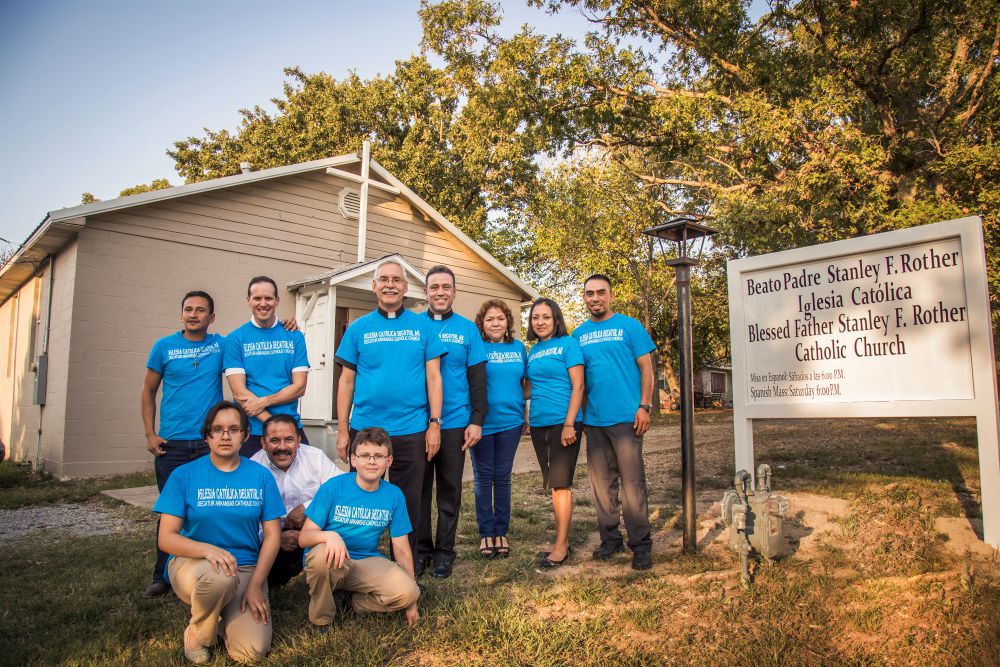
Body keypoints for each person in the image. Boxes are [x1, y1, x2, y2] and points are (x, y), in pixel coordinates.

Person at [153, 401, 284, 664]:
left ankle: (221, 613)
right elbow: (166, 538)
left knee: (251, 653)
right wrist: (208, 550)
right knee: (218, 579)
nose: (226, 435)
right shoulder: (183, 476)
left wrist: (256, 585)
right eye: (218, 429)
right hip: (195, 564)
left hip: (245, 568)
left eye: (234, 429)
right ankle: (198, 634)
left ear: (245, 436)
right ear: (207, 435)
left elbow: (273, 536)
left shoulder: (261, 476)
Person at [334, 258, 446, 559]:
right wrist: (344, 430)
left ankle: (406, 565)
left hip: (411, 428)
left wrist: (434, 423)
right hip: (366, 429)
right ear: (374, 286)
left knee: (410, 501)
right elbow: (346, 381)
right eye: (383, 279)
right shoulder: (358, 328)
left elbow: (434, 377)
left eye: (396, 280)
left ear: (406, 287)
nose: (390, 285)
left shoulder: (423, 326)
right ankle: (354, 561)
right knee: (359, 499)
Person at [572, 274, 657, 570]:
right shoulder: (578, 335)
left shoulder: (629, 326)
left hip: (627, 418)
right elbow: (576, 381)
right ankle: (610, 540)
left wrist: (644, 406)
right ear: (584, 298)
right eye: (589, 293)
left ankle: (641, 545)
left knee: (632, 484)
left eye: (600, 293)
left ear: (610, 296)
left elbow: (646, 368)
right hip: (593, 421)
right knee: (601, 485)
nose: (594, 298)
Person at [140, 290, 221, 598]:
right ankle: (162, 576)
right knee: (172, 511)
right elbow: (148, 392)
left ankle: (204, 567)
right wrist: (150, 433)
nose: (193, 314)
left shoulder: (220, 346)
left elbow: (250, 349)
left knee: (209, 508)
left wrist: (286, 324)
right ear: (181, 314)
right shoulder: (163, 347)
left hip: (206, 445)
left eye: (201, 310)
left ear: (211, 318)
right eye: (188, 309)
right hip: (171, 445)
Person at [299, 427, 420, 629]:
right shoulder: (333, 487)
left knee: (408, 591)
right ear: (353, 460)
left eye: (378, 456)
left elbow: (401, 549)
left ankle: (353, 602)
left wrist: (412, 601)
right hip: (331, 560)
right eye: (364, 455)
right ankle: (321, 619)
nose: (371, 461)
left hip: (365, 560)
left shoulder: (394, 495)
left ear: (388, 461)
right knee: (321, 557)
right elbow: (304, 537)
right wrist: (330, 536)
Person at [416, 265, 488, 578]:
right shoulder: (412, 326)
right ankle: (419, 551)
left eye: (446, 287)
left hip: (456, 422)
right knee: (418, 491)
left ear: (454, 292)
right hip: (417, 422)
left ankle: (444, 552)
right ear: (426, 292)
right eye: (435, 287)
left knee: (449, 490)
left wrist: (476, 419)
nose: (440, 292)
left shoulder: (467, 329)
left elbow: (478, 379)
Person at [250, 414, 343, 589]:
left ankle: (337, 582)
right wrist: (276, 538)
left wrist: (308, 508)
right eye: (275, 440)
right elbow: (246, 521)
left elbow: (343, 490)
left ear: (299, 441)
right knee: (269, 583)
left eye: (289, 440)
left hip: (316, 528)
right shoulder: (252, 469)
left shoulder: (315, 458)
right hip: (272, 535)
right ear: (263, 443)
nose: (282, 447)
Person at [525, 298, 585, 569]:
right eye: (535, 317)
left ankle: (562, 545)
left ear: (556, 319)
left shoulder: (569, 345)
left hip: (564, 423)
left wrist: (570, 423)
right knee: (553, 483)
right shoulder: (533, 351)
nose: (540, 322)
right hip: (539, 424)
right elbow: (529, 389)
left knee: (561, 484)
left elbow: (579, 386)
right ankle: (559, 539)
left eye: (546, 317)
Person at [224, 276, 310, 458]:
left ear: (277, 301)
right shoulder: (236, 339)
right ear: (248, 301)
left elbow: (299, 387)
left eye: (269, 298)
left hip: (291, 430)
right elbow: (240, 393)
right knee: (253, 485)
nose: (263, 303)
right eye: (257, 298)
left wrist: (264, 402)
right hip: (251, 432)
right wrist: (272, 424)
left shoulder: (294, 336)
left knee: (304, 484)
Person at [471, 299, 527, 559]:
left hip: (511, 422)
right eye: (490, 319)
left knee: (502, 476)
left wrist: (524, 411)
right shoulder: (476, 348)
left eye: (500, 318)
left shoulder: (519, 348)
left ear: (508, 322)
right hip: (481, 423)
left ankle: (501, 531)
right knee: (483, 477)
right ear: (482, 324)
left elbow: (525, 384)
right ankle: (486, 533)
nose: (495, 323)